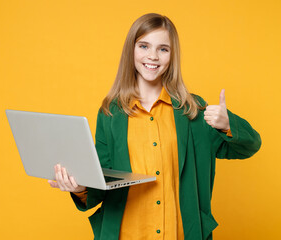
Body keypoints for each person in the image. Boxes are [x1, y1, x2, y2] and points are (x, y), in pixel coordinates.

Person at [48, 13, 261, 240]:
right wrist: (79, 188)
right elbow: (103, 181)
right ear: (131, 50)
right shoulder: (110, 113)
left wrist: (228, 123)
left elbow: (249, 146)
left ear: (172, 56)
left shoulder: (194, 111)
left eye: (163, 49)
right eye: (144, 46)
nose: (153, 56)